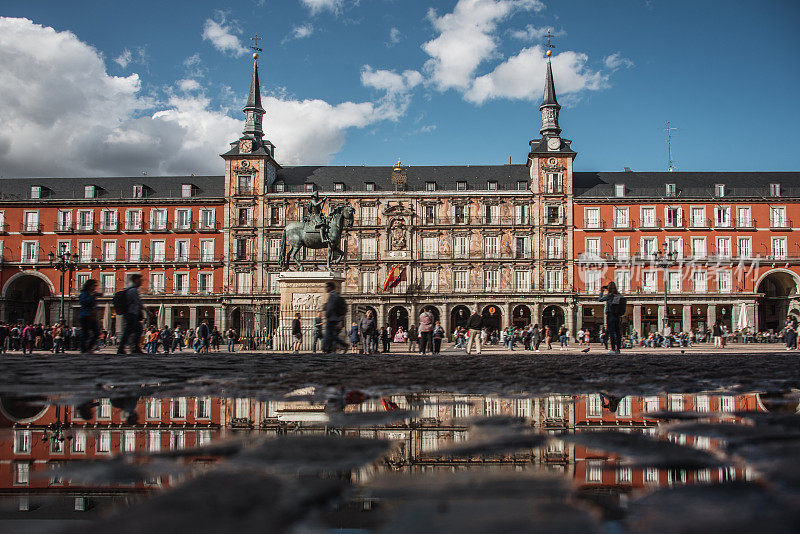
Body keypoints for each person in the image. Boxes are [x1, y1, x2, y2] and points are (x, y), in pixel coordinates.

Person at [117, 274, 144, 355]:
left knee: (134, 330)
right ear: (135, 280)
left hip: (130, 313)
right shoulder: (133, 290)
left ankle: (132, 347)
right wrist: (147, 311)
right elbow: (138, 302)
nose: (141, 282)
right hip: (131, 313)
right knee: (130, 331)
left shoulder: (130, 289)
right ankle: (128, 348)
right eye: (140, 280)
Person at [599, 281, 624, 354]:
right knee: (618, 332)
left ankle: (613, 349)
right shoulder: (619, 295)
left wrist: (601, 292)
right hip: (617, 315)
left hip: (610, 315)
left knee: (611, 332)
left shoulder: (609, 295)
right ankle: (618, 349)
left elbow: (600, 299)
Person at [323, 281, 348, 354]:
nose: (325, 289)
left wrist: (327, 315)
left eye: (326, 287)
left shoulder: (333, 295)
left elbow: (331, 307)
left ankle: (328, 349)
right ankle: (329, 349)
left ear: (330, 287)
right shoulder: (335, 295)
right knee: (331, 335)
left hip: (332, 318)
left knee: (329, 335)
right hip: (335, 318)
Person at [78, 279, 101, 353]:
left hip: (91, 316)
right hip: (84, 316)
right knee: (85, 333)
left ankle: (88, 348)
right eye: (93, 286)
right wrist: (92, 296)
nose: (94, 287)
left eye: (95, 286)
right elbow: (84, 302)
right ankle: (84, 349)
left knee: (96, 333)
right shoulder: (84, 294)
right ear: (89, 286)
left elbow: (92, 305)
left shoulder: (91, 294)